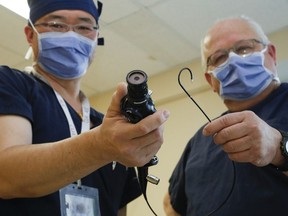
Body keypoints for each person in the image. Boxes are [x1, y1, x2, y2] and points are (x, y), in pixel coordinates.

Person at [0, 0, 170, 215]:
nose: (71, 35)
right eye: (56, 24)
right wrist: (100, 146)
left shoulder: (112, 126)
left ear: (95, 38)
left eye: (84, 27)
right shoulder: (11, 84)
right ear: (30, 34)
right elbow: (5, 176)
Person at [164, 15, 288, 216]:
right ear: (210, 80)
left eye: (244, 48)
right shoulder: (201, 139)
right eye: (219, 57)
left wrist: (279, 148)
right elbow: (172, 205)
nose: (234, 60)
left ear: (272, 54)